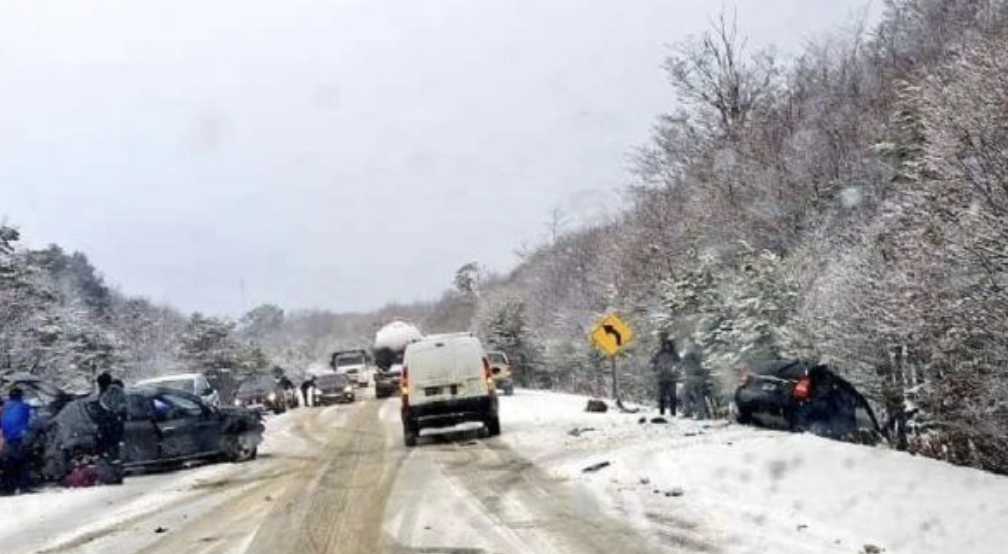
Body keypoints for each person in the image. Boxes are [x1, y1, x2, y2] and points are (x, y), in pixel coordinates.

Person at [1, 387, 34, 494]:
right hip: (21, 438)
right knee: (22, 462)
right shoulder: (25, 407)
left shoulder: (4, 408)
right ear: (20, 396)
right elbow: (33, 421)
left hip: (7, 439)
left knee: (9, 463)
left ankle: (8, 487)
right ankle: (23, 485)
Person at [650, 334, 680, 417]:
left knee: (672, 396)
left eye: (668, 345)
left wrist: (675, 369)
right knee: (662, 396)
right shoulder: (659, 354)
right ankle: (662, 412)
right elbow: (652, 363)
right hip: (662, 377)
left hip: (671, 378)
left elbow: (679, 363)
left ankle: (673, 412)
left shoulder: (674, 354)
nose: (667, 346)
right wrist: (656, 369)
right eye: (665, 345)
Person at [680, 345, 711, 419]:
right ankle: (695, 413)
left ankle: (690, 412)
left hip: (692, 379)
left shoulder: (687, 359)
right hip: (698, 379)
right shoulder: (698, 359)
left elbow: (679, 366)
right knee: (695, 396)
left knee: (687, 394)